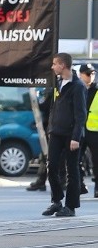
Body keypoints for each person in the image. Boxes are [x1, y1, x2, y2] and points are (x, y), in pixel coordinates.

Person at [41, 53, 87, 218]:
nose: (52, 67)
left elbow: (81, 114)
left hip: (71, 135)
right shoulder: (57, 83)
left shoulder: (78, 86)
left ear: (63, 65)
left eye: (55, 64)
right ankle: (57, 201)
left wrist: (75, 137)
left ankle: (70, 206)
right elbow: (53, 107)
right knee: (51, 167)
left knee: (72, 171)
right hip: (56, 132)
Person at [80, 64, 98, 198]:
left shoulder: (97, 90)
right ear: (81, 74)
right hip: (78, 129)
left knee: (96, 160)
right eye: (87, 73)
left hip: (94, 130)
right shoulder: (76, 88)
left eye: (92, 73)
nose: (91, 76)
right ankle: (79, 185)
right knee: (75, 160)